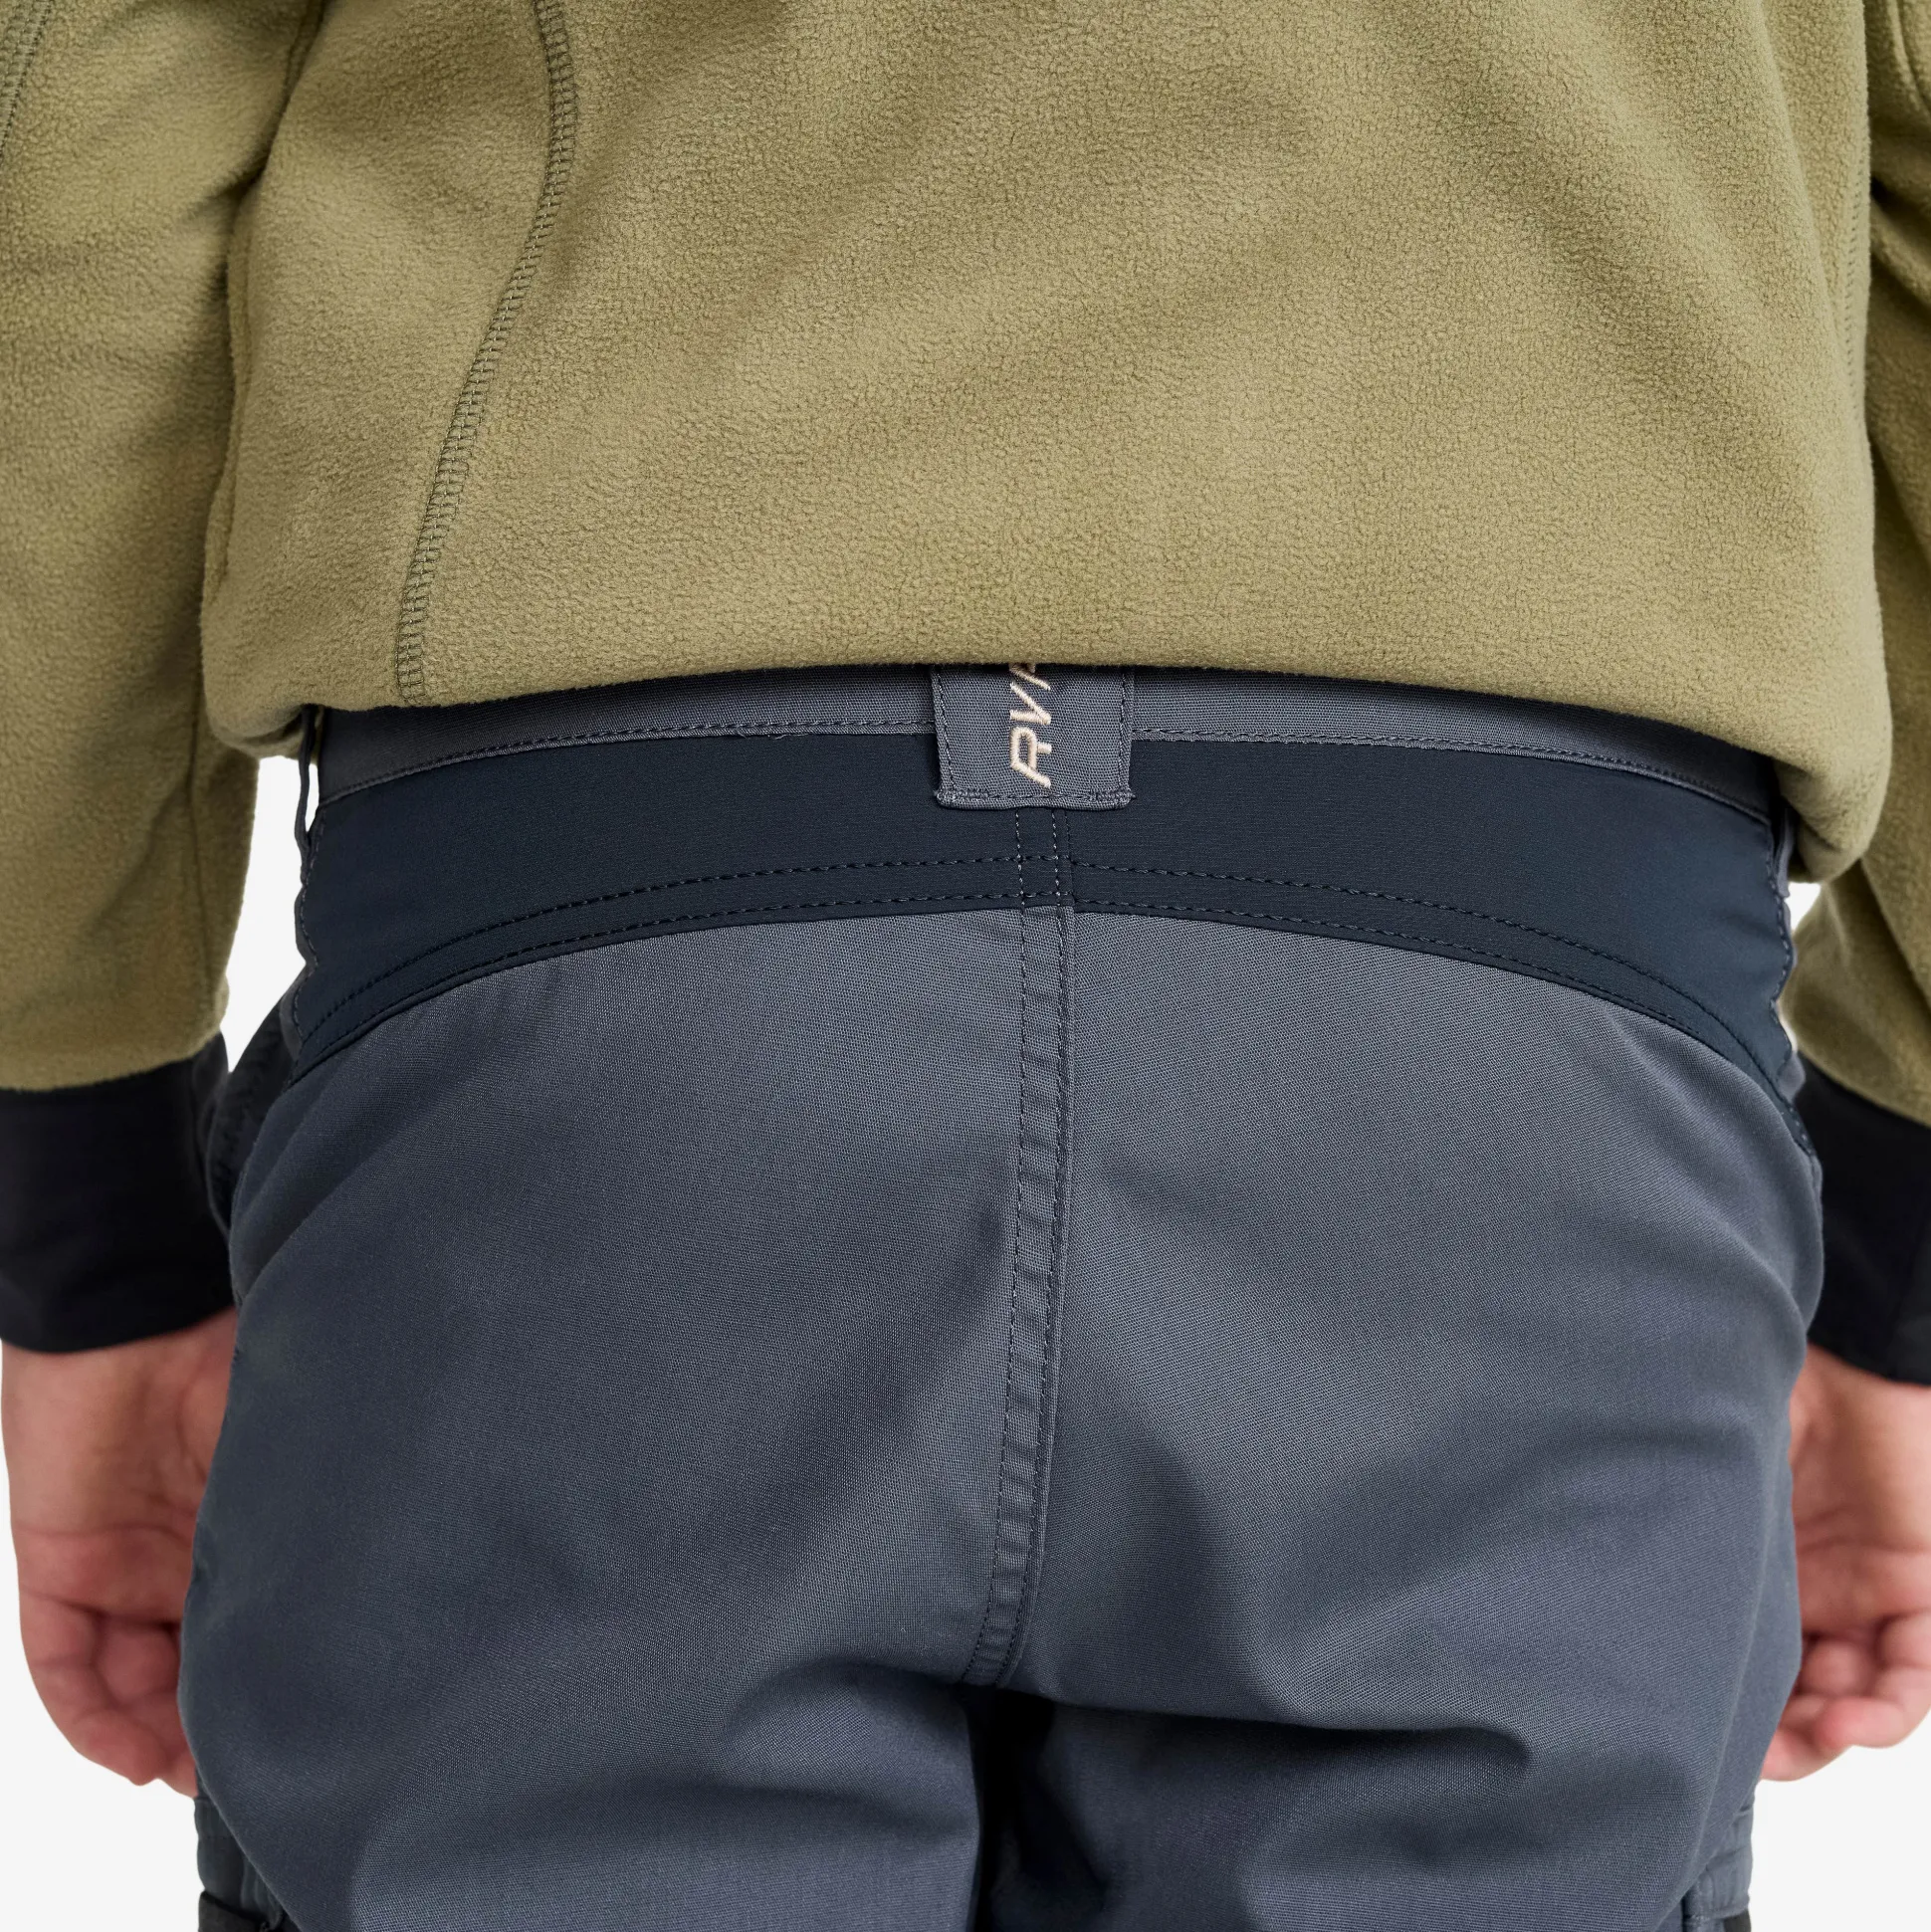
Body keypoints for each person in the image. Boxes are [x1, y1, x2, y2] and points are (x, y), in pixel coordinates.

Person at [3, 4, 1930, 1928]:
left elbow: (81, 123)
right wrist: (1896, 1245)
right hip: (1511, 1076)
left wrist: (87, 1190)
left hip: (613, 1023)